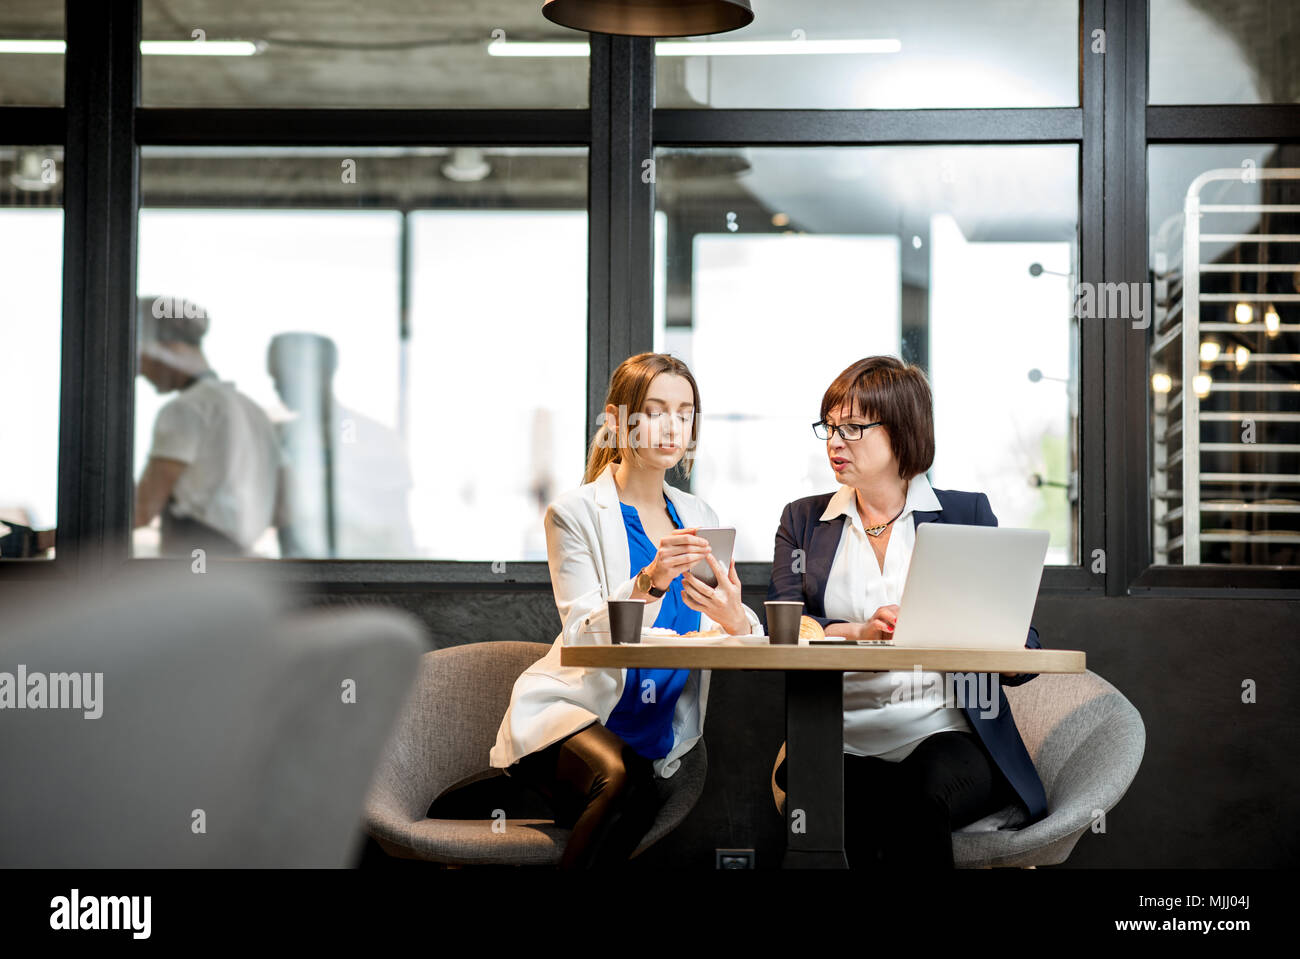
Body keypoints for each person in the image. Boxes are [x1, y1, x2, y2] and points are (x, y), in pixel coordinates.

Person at [767, 355, 1048, 869]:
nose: (834, 442)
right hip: (839, 734)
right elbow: (788, 625)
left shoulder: (966, 515)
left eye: (852, 428)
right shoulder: (804, 520)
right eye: (829, 427)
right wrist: (859, 631)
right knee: (855, 802)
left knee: (912, 799)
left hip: (943, 732)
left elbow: (1023, 649)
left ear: (901, 430)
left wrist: (991, 645)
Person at [490, 352, 763, 868]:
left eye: (684, 413)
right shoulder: (573, 513)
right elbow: (580, 635)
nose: (671, 426)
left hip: (655, 733)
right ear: (617, 421)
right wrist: (649, 582)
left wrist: (734, 616)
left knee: (636, 787)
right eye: (655, 410)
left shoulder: (699, 516)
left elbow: (732, 635)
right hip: (569, 719)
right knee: (624, 784)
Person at [135, 295, 280, 557]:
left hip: (193, 570)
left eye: (141, 355)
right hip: (239, 569)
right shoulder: (252, 410)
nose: (138, 370)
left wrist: (56, 539)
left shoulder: (185, 410)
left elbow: (142, 510)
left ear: (169, 347)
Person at [266, 332, 415, 558]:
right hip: (301, 580)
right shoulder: (278, 438)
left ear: (321, 372)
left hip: (370, 574)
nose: (276, 388)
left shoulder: (376, 439)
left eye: (281, 377)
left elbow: (398, 524)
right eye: (274, 378)